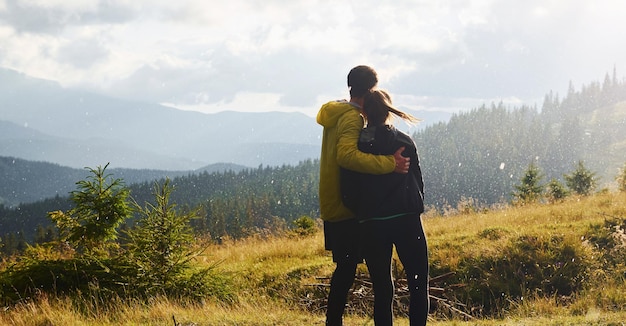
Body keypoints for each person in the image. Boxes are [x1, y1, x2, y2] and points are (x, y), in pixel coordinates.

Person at [317, 65, 410, 326]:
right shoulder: (352, 117)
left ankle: (333, 321)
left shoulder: (336, 112)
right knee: (354, 269)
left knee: (345, 269)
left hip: (334, 198)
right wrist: (388, 163)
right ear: (370, 90)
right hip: (346, 203)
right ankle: (334, 322)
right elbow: (345, 156)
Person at [341, 89, 429, 325]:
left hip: (372, 224)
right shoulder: (404, 141)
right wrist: (414, 205)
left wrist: (361, 210)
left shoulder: (357, 146)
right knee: (418, 285)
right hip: (408, 221)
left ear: (365, 112)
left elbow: (347, 189)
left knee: (382, 288)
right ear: (388, 109)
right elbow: (418, 181)